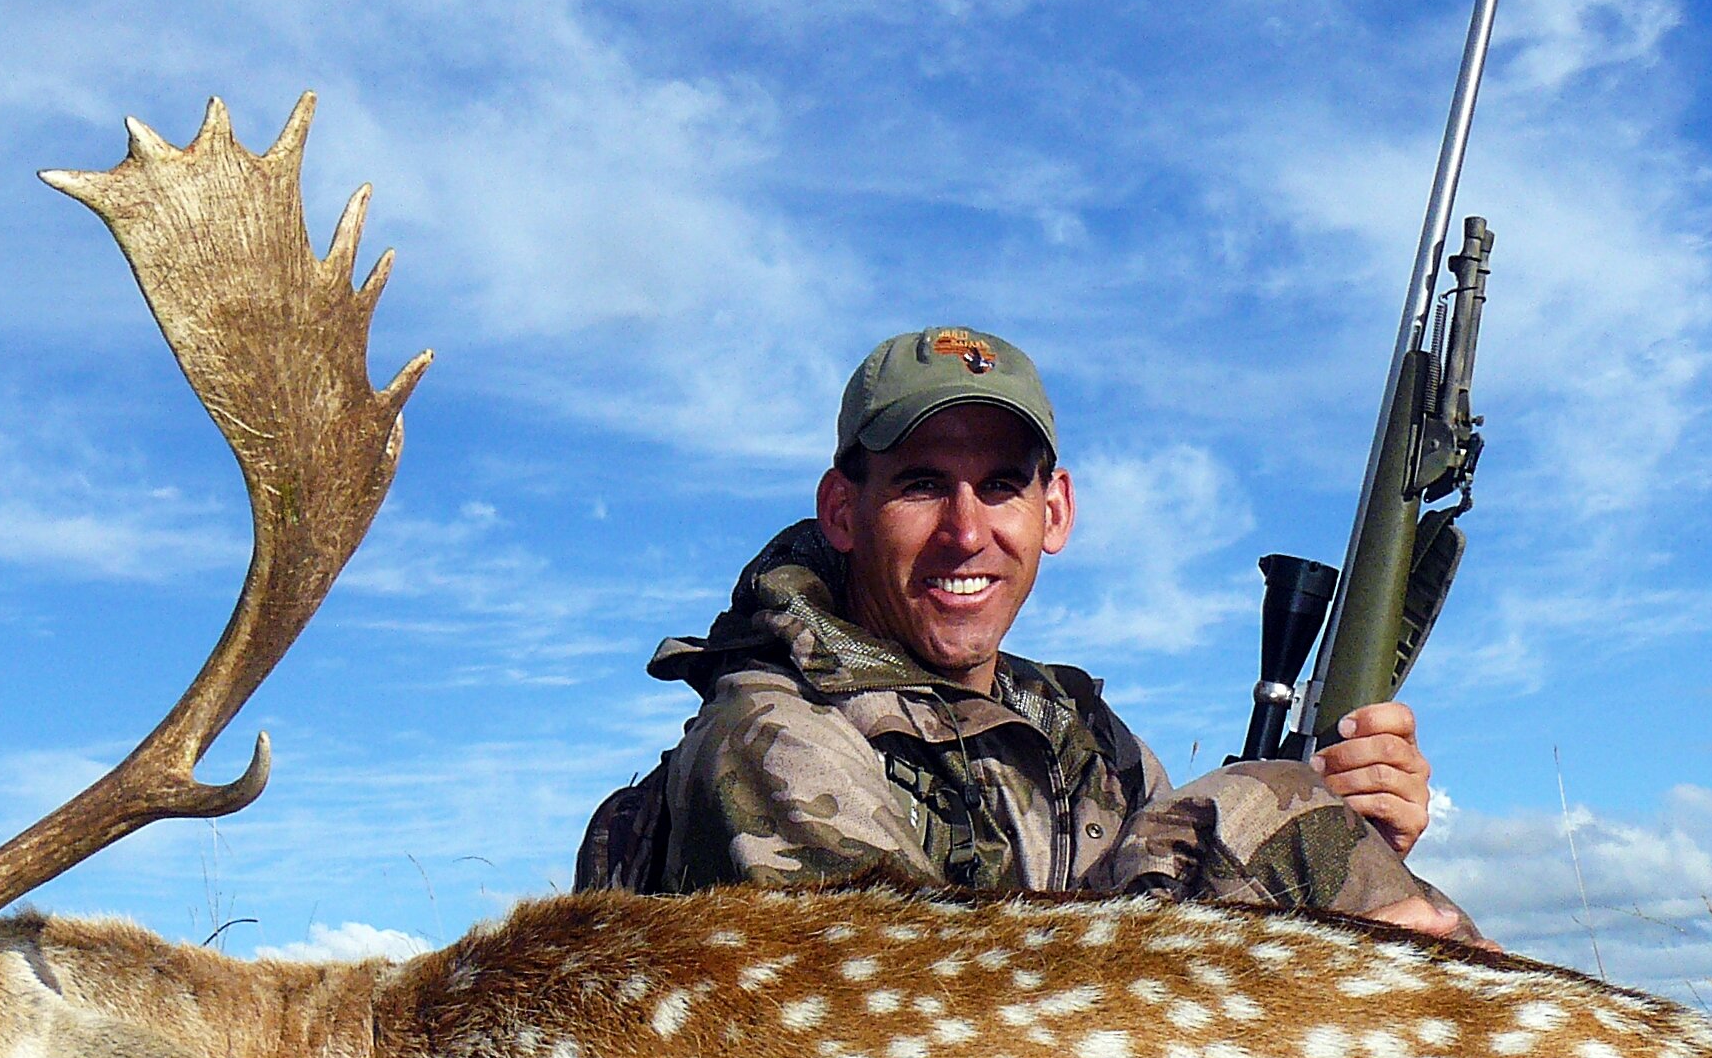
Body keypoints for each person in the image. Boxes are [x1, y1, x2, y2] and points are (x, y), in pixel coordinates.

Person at [577, 326, 1481, 941]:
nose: (966, 532)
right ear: (842, 512)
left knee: (1280, 814)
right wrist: (1312, 991)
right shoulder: (769, 739)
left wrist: (1345, 842)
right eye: (921, 485)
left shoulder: (1083, 740)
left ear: (1055, 511)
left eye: (1002, 486)